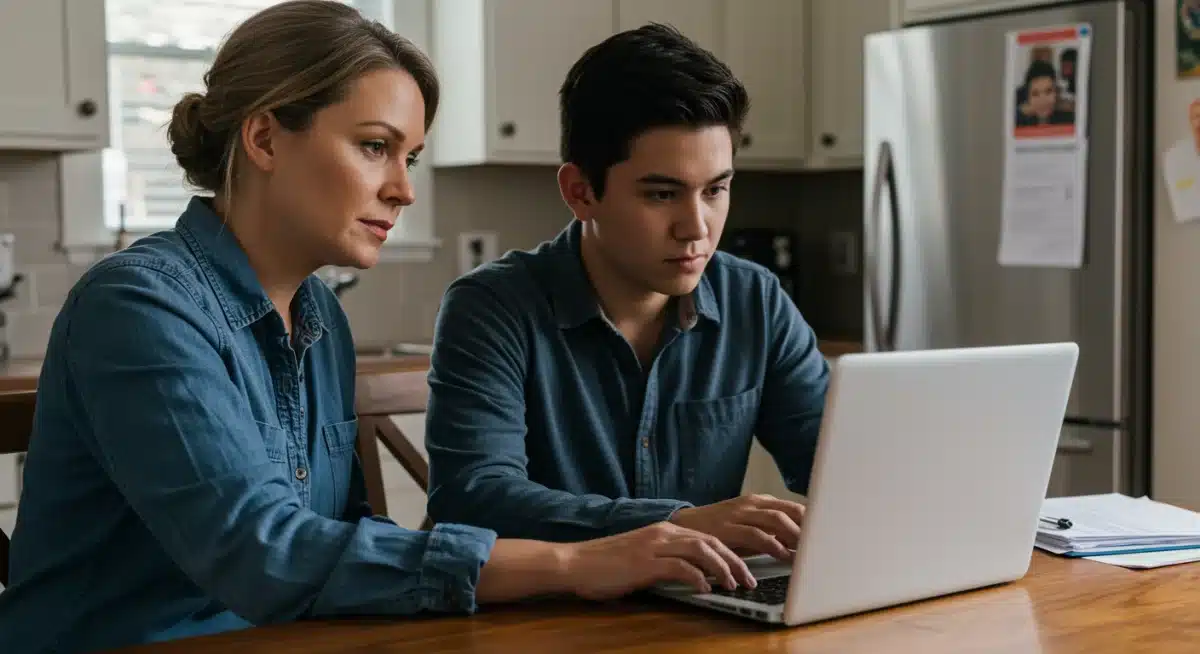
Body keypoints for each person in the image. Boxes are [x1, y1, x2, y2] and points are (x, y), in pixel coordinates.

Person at [0, 4, 754, 652]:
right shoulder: (138, 306)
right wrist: (579, 564)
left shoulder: (319, 314)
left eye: (411, 157)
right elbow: (263, 553)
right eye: (373, 146)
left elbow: (347, 538)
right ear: (264, 140)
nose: (402, 190)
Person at [424, 24, 829, 561]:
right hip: (544, 624)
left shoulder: (755, 299)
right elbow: (474, 499)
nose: (696, 227)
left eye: (716, 190)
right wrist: (674, 524)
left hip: (704, 618)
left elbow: (837, 465)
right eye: (662, 194)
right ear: (580, 192)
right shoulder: (492, 308)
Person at [1016, 59, 1074, 128]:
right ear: (1028, 97)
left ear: (1056, 92)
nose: (1043, 100)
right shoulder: (1018, 122)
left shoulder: (1070, 121)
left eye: (1048, 91)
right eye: (1035, 94)